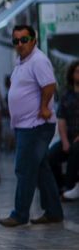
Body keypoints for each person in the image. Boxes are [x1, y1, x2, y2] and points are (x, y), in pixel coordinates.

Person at [0, 24, 64, 227]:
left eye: (24, 39)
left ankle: (19, 214)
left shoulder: (38, 60)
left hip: (36, 125)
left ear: (34, 40)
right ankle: (53, 211)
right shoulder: (22, 62)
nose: (20, 44)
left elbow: (49, 85)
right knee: (40, 169)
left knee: (24, 169)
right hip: (25, 126)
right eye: (16, 41)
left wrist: (44, 106)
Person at [48, 60, 79, 200]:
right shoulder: (67, 95)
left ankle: (69, 187)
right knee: (50, 157)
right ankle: (59, 187)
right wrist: (65, 140)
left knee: (76, 149)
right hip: (69, 136)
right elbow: (61, 120)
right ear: (72, 74)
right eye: (77, 71)